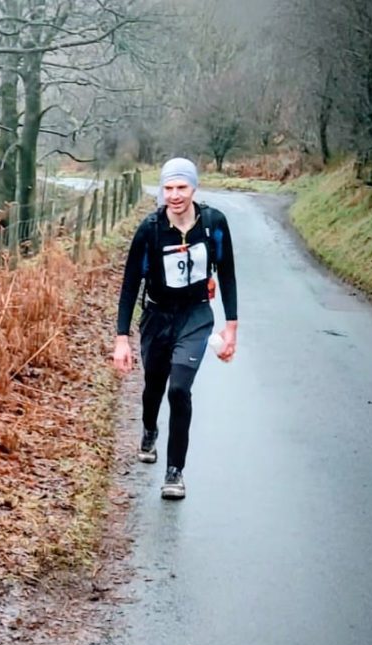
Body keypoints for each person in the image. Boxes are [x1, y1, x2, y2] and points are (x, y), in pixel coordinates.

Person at [112, 158, 237, 500]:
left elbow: (227, 274)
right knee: (154, 386)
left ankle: (174, 471)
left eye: (181, 187)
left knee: (179, 389)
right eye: (168, 188)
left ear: (194, 187)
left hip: (195, 317)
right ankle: (149, 429)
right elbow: (129, 286)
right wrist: (122, 338)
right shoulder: (150, 230)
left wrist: (231, 327)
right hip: (157, 316)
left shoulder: (213, 224)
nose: (175, 195)